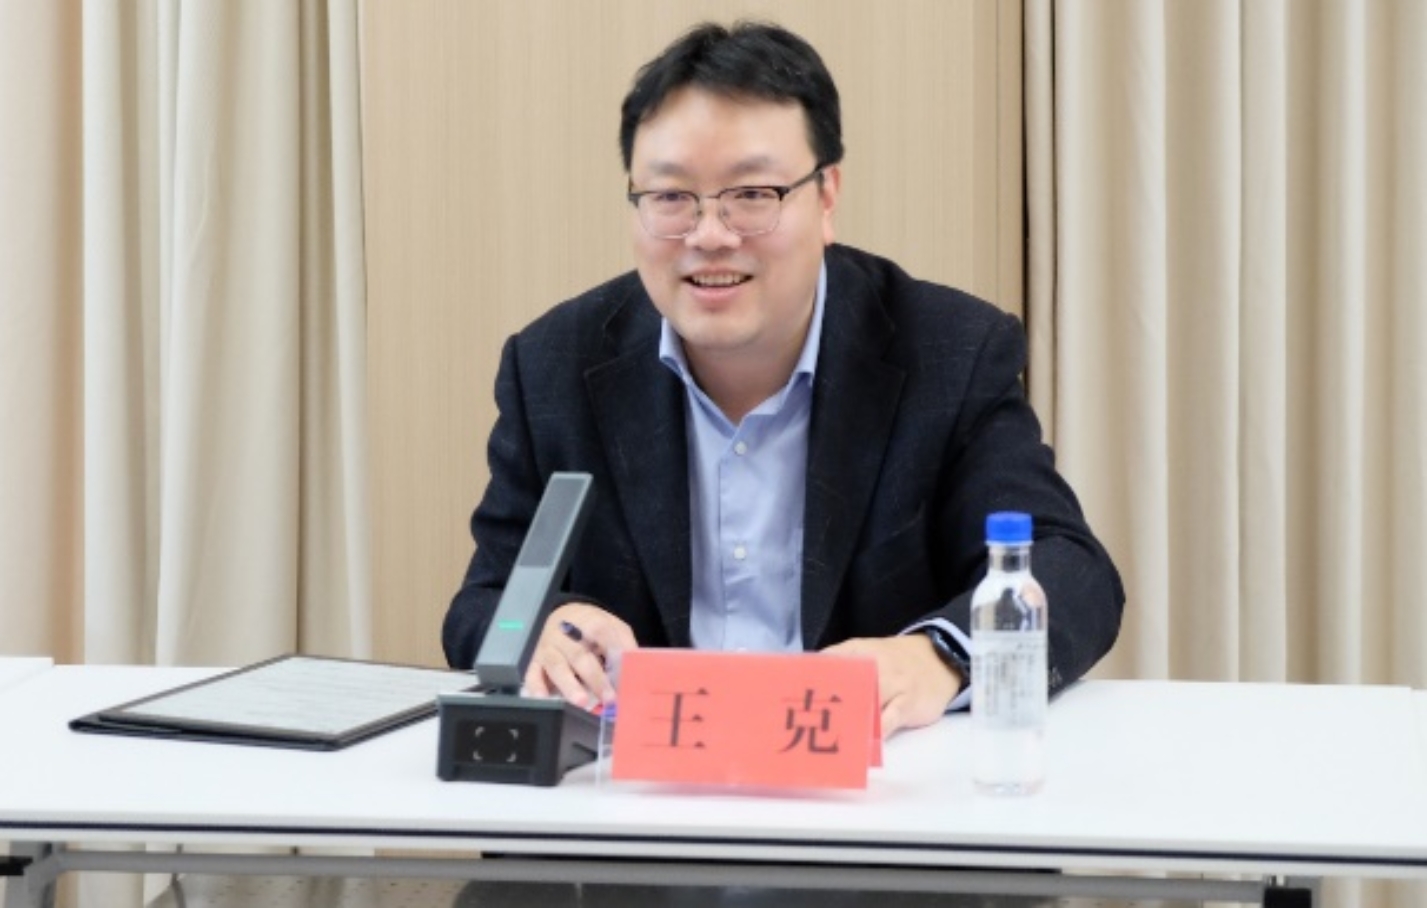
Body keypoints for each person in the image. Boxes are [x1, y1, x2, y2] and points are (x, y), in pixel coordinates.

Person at [443, 20, 1123, 737]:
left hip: (873, 785)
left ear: (826, 196)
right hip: (644, 789)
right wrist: (542, 631)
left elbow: (1069, 572)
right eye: (670, 197)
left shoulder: (947, 352)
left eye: (752, 194)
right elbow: (486, 601)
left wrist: (937, 657)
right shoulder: (555, 366)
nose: (709, 234)